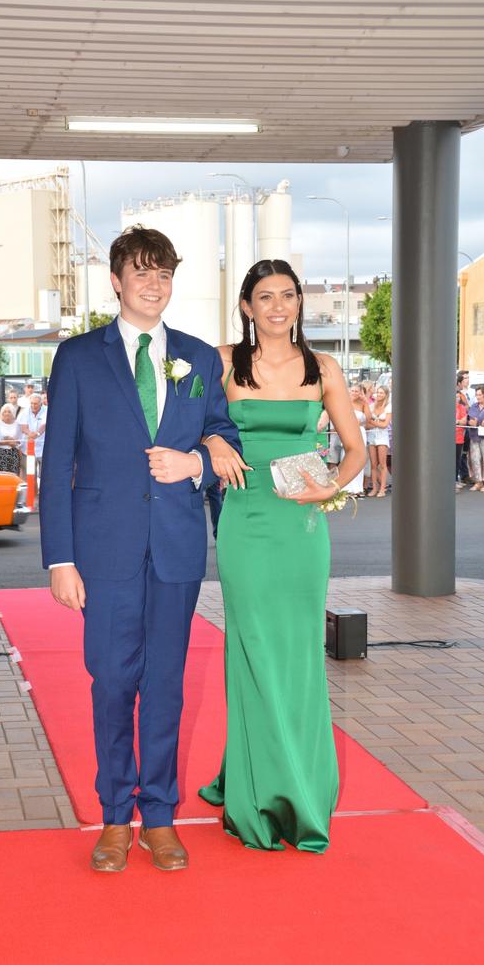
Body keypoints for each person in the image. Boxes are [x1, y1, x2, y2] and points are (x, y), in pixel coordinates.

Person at [39, 224, 240, 873]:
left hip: (176, 551)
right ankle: (114, 819)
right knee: (111, 683)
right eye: (142, 273)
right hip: (105, 553)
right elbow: (56, 462)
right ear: (117, 281)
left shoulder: (198, 358)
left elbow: (223, 439)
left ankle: (159, 816)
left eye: (164, 274)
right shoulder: (77, 357)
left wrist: (197, 465)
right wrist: (60, 558)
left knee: (166, 688)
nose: (154, 285)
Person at [198, 258, 365, 854]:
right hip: (244, 519)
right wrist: (214, 437)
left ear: (299, 303)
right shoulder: (219, 362)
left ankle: (297, 785)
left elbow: (355, 448)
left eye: (287, 295)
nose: (277, 306)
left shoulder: (323, 367)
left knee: (296, 653)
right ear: (246, 306)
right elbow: (182, 424)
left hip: (300, 523)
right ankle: (255, 788)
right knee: (252, 648)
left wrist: (331, 487)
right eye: (264, 296)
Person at [342, 383, 370, 496]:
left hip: (360, 432)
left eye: (356, 391)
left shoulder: (362, 404)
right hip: (348, 431)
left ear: (360, 393)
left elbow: (368, 418)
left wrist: (366, 401)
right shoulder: (345, 402)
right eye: (352, 390)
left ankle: (357, 488)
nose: (354, 393)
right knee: (347, 457)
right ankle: (346, 488)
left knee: (359, 458)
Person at [467, 384, 484, 492]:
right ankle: (478, 481)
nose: (477, 397)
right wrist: (471, 422)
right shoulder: (474, 406)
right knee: (475, 458)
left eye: (479, 395)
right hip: (475, 435)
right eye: (476, 395)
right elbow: (470, 419)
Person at [366, 385, 391, 497]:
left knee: (382, 464)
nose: (379, 394)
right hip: (371, 435)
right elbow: (367, 423)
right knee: (373, 464)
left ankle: (382, 489)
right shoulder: (371, 406)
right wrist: (375, 423)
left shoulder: (388, 407)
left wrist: (373, 422)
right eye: (378, 392)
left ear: (386, 395)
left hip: (382, 437)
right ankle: (375, 488)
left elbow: (385, 425)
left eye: (382, 393)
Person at [19, 392, 47, 479]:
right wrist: (30, 433)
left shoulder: (47, 410)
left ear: (40, 403)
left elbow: (44, 426)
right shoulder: (25, 411)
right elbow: (23, 427)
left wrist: (37, 433)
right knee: (30, 477)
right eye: (31, 403)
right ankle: (32, 493)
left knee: (45, 476)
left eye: (35, 404)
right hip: (28, 450)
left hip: (44, 449)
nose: (33, 405)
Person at [0, 403, 22, 475]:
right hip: (2, 453)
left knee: (14, 475)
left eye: (9, 411)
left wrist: (8, 440)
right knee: (2, 477)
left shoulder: (17, 424)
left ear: (13, 413)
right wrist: (9, 442)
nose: (7, 413)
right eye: (5, 411)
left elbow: (20, 440)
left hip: (14, 452)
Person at [455, 391, 468, 491]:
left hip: (459, 438)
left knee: (457, 460)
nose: (457, 399)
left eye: (458, 397)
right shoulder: (447, 407)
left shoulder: (461, 407)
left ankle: (455, 480)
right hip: (448, 438)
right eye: (455, 397)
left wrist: (457, 421)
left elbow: (464, 421)